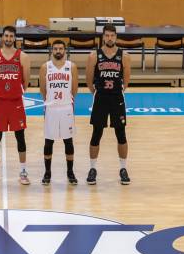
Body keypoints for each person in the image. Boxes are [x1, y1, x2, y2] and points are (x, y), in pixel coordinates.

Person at [86, 24, 132, 185]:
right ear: (103, 37)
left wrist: (117, 92)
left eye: (112, 35)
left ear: (116, 37)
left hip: (116, 98)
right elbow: (89, 81)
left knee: (121, 134)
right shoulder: (94, 56)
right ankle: (92, 168)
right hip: (101, 99)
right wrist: (97, 92)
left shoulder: (124, 56)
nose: (110, 38)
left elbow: (126, 81)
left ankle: (123, 168)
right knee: (96, 134)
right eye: (107, 35)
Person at [0, 25, 31, 185]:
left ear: (15, 38)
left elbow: (26, 81)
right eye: (6, 36)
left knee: (20, 137)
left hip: (16, 102)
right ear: (2, 37)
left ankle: (23, 171)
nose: (9, 39)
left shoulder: (23, 56)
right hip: (0, 102)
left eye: (11, 36)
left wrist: (15, 91)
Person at [39, 39, 78, 185]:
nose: (58, 51)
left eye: (61, 48)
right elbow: (43, 90)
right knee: (48, 141)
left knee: (68, 141)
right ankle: (47, 172)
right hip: (51, 108)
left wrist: (67, 100)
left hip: (66, 107)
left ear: (65, 50)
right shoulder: (45, 67)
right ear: (52, 50)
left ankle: (70, 172)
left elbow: (74, 89)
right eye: (55, 49)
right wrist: (50, 101)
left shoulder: (71, 66)